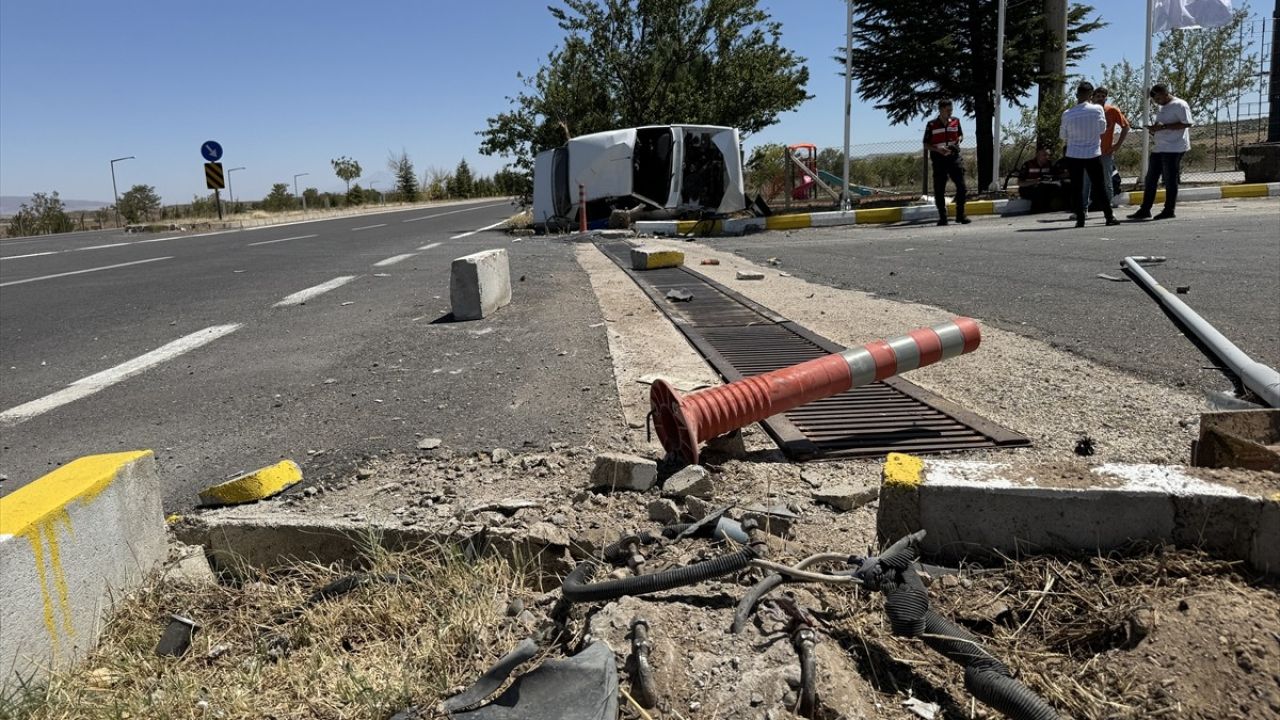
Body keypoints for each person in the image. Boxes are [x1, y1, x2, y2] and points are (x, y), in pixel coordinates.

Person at [1059, 81, 1120, 227]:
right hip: (1092, 153)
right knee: (1100, 186)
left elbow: (1062, 136)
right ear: (1091, 95)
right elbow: (1102, 129)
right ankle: (1109, 217)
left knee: (1077, 188)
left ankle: (1080, 219)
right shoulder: (1097, 109)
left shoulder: (1067, 114)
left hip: (1074, 154)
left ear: (1076, 95)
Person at [1129, 83, 1192, 220]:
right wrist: (1154, 129)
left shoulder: (1180, 105)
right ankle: (1145, 209)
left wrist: (1164, 127)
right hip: (1160, 147)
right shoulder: (1162, 107)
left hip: (1174, 147)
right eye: (1155, 100)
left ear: (1165, 93)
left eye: (1158, 98)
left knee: (1170, 179)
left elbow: (1187, 123)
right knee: (1150, 178)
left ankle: (1169, 209)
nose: (1157, 102)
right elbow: (1162, 125)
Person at [922, 99, 969, 226]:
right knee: (939, 189)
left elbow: (960, 135)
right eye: (947, 110)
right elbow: (926, 144)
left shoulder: (956, 121)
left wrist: (957, 142)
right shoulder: (931, 125)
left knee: (962, 187)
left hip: (954, 158)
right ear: (941, 110)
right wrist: (938, 149)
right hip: (939, 160)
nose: (950, 112)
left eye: (951, 110)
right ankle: (943, 217)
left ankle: (960, 215)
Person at [1082, 86, 1129, 210]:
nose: (1101, 99)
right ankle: (1083, 208)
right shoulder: (1088, 111)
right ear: (1092, 98)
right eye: (1098, 96)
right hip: (1090, 152)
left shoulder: (1112, 111)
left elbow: (1125, 126)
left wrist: (1117, 145)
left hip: (1106, 152)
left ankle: (1107, 206)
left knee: (1108, 181)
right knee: (1086, 181)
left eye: (1103, 96)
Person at [1017, 147, 1060, 213]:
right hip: (1027, 188)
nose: (1046, 157)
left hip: (1044, 187)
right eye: (1044, 155)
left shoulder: (1049, 164)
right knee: (1039, 190)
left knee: (1056, 187)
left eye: (1047, 155)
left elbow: (1055, 176)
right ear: (1037, 155)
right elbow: (1020, 183)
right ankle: (1035, 211)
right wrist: (1036, 181)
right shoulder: (1028, 165)